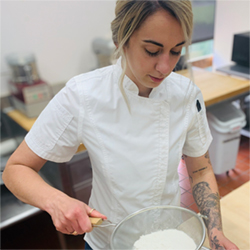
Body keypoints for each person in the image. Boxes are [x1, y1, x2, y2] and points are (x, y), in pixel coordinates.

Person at [3, 1, 239, 250]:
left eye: (176, 50)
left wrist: (214, 231)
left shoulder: (187, 95)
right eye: (151, 51)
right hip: (107, 243)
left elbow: (200, 168)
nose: (165, 67)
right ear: (120, 41)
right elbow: (16, 169)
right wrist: (56, 201)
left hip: (169, 238)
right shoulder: (83, 94)